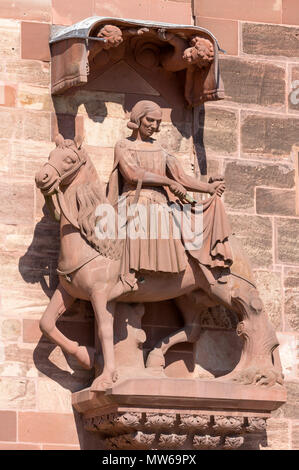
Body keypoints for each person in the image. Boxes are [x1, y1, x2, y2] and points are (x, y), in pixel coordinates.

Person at [107, 100, 232, 288]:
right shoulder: (124, 145)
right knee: (137, 217)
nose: (154, 126)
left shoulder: (160, 150)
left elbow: (180, 177)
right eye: (150, 120)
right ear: (138, 118)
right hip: (134, 199)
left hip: (159, 203)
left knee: (178, 222)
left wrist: (208, 188)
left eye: (158, 122)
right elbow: (133, 174)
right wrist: (167, 181)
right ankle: (128, 273)